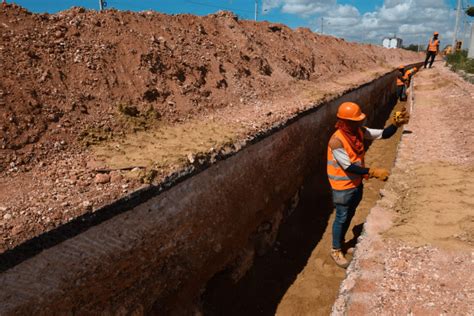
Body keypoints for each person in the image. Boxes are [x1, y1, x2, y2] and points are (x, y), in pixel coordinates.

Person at [327, 102, 409, 268]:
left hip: (356, 183)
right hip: (342, 188)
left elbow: (383, 134)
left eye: (359, 120)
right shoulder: (337, 141)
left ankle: (342, 243)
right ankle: (336, 249)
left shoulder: (358, 133)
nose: (360, 123)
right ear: (344, 121)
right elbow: (348, 167)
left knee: (349, 215)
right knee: (342, 217)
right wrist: (372, 172)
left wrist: (395, 123)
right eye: (355, 121)